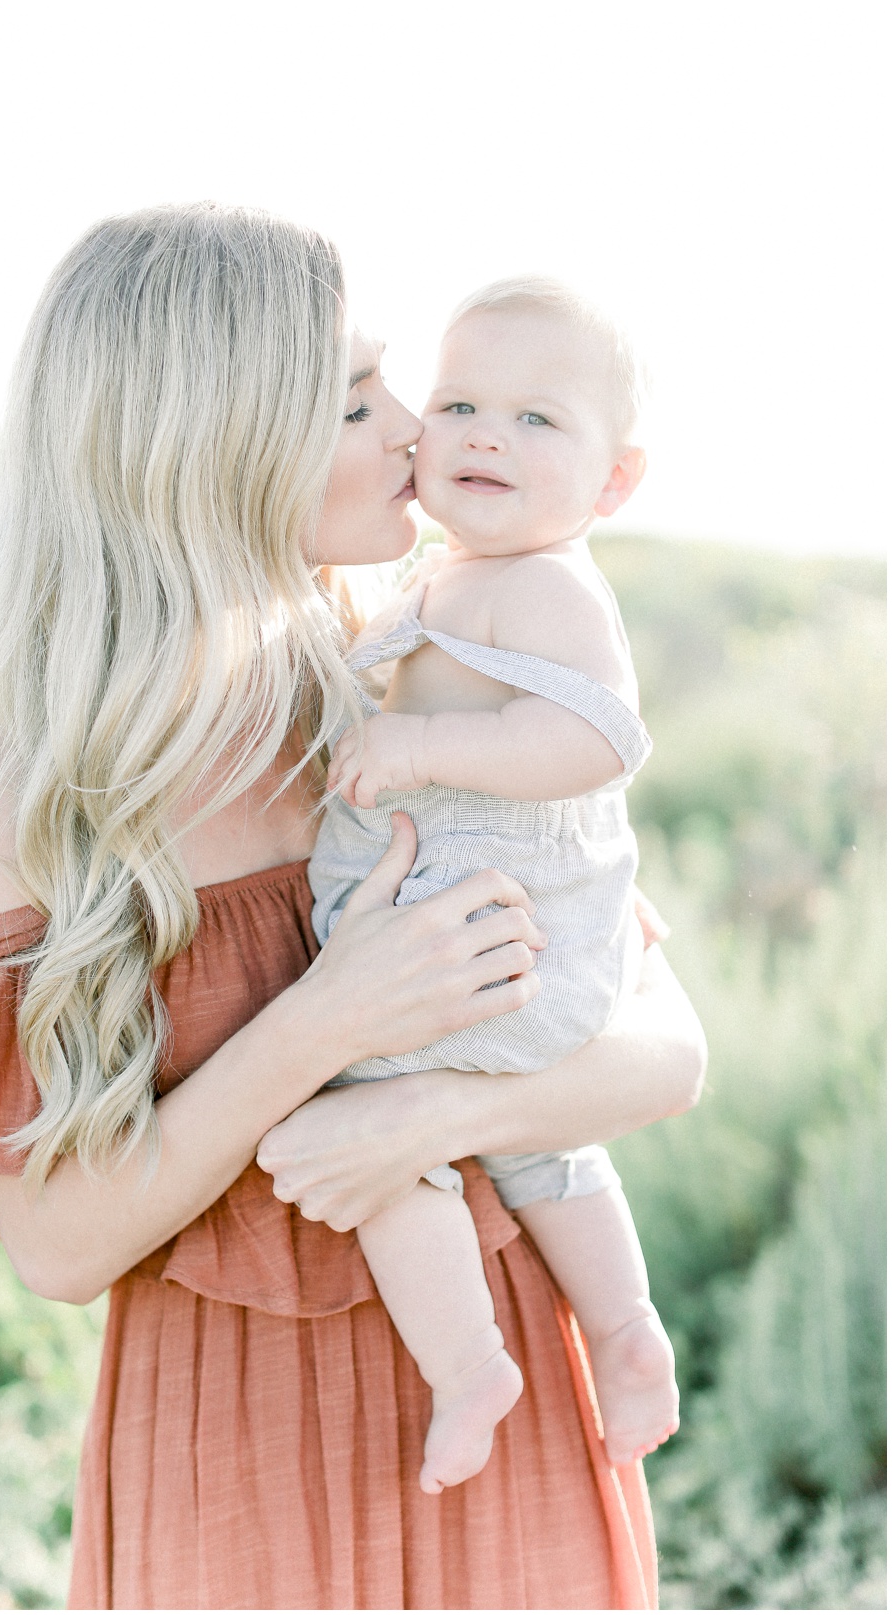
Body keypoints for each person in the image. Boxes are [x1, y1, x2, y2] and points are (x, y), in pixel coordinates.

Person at [0, 203, 706, 1611]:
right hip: (228, 1426)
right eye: (352, 399)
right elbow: (63, 1246)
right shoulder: (22, 792)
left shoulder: (394, 684)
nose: (414, 431)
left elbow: (665, 1049)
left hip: (494, 1378)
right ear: (209, 440)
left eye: (397, 387)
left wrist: (432, 1116)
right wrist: (328, 1021)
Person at [309, 277, 679, 1497]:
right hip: (481, 942)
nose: (482, 434)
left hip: (490, 945)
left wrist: (419, 751)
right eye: (460, 401)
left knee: (370, 1127)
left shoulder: (551, 585)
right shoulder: (445, 575)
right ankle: (622, 1330)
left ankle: (471, 1364)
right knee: (546, 1149)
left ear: (612, 482)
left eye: (536, 420)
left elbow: (598, 742)